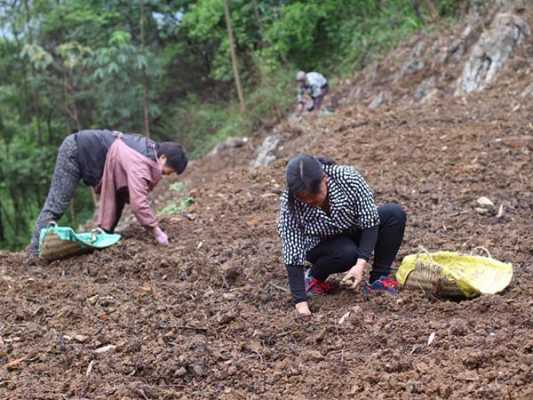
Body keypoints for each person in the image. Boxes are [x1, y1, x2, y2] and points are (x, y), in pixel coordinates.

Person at [277, 154, 406, 316]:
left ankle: (378, 280)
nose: (309, 201)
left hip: (351, 231)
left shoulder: (347, 178)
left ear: (325, 179)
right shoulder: (289, 203)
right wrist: (301, 305)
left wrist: (360, 265)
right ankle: (313, 278)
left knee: (393, 214)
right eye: (304, 199)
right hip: (320, 245)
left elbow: (369, 220)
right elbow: (292, 250)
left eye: (314, 195)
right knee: (347, 253)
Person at [28, 129, 188, 256]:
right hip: (76, 150)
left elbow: (128, 192)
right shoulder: (140, 161)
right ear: (163, 158)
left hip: (90, 156)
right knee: (57, 203)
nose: (168, 174)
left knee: (118, 195)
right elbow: (138, 202)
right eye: (170, 170)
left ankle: (103, 236)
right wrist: (156, 232)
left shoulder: (149, 150)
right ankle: (35, 251)